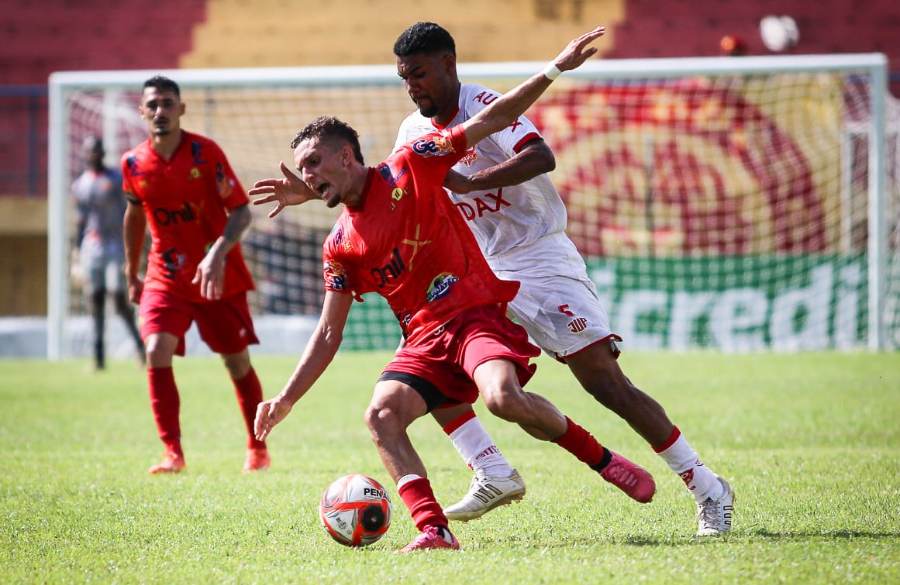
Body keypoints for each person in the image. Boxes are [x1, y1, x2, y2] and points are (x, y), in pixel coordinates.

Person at [252, 26, 656, 553]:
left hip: (473, 315)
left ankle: (602, 459)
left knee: (503, 398)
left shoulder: (412, 163)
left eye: (313, 165)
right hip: (422, 338)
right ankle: (434, 531)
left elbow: (492, 118)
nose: (305, 177)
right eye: (303, 171)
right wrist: (284, 399)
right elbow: (329, 332)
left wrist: (555, 68)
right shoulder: (339, 245)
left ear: (347, 157)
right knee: (380, 414)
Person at [391, 22, 734, 535]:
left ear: (448, 64)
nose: (412, 86)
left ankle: (706, 484)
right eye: (403, 78)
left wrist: (473, 182)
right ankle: (490, 468)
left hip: (541, 257)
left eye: (419, 74)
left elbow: (540, 156)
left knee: (604, 382)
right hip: (479, 270)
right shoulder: (411, 134)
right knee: (434, 360)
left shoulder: (483, 103)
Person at [122, 76, 270, 474]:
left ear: (181, 109)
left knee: (236, 362)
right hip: (164, 275)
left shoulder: (206, 154)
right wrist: (132, 270)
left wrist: (217, 254)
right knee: (155, 350)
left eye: (168, 103)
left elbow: (241, 211)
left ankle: (257, 447)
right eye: (152, 104)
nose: (160, 111)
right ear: (142, 111)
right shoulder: (133, 163)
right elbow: (135, 214)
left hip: (217, 275)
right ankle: (173, 453)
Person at [71, 135, 145, 371]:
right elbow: (80, 222)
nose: (92, 155)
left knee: (118, 296)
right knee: (95, 299)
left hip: (116, 245)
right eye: (88, 151)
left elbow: (131, 212)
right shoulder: (80, 184)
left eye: (96, 150)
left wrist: (135, 246)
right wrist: (75, 254)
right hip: (92, 248)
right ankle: (99, 358)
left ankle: (140, 348)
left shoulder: (116, 179)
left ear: (103, 153)